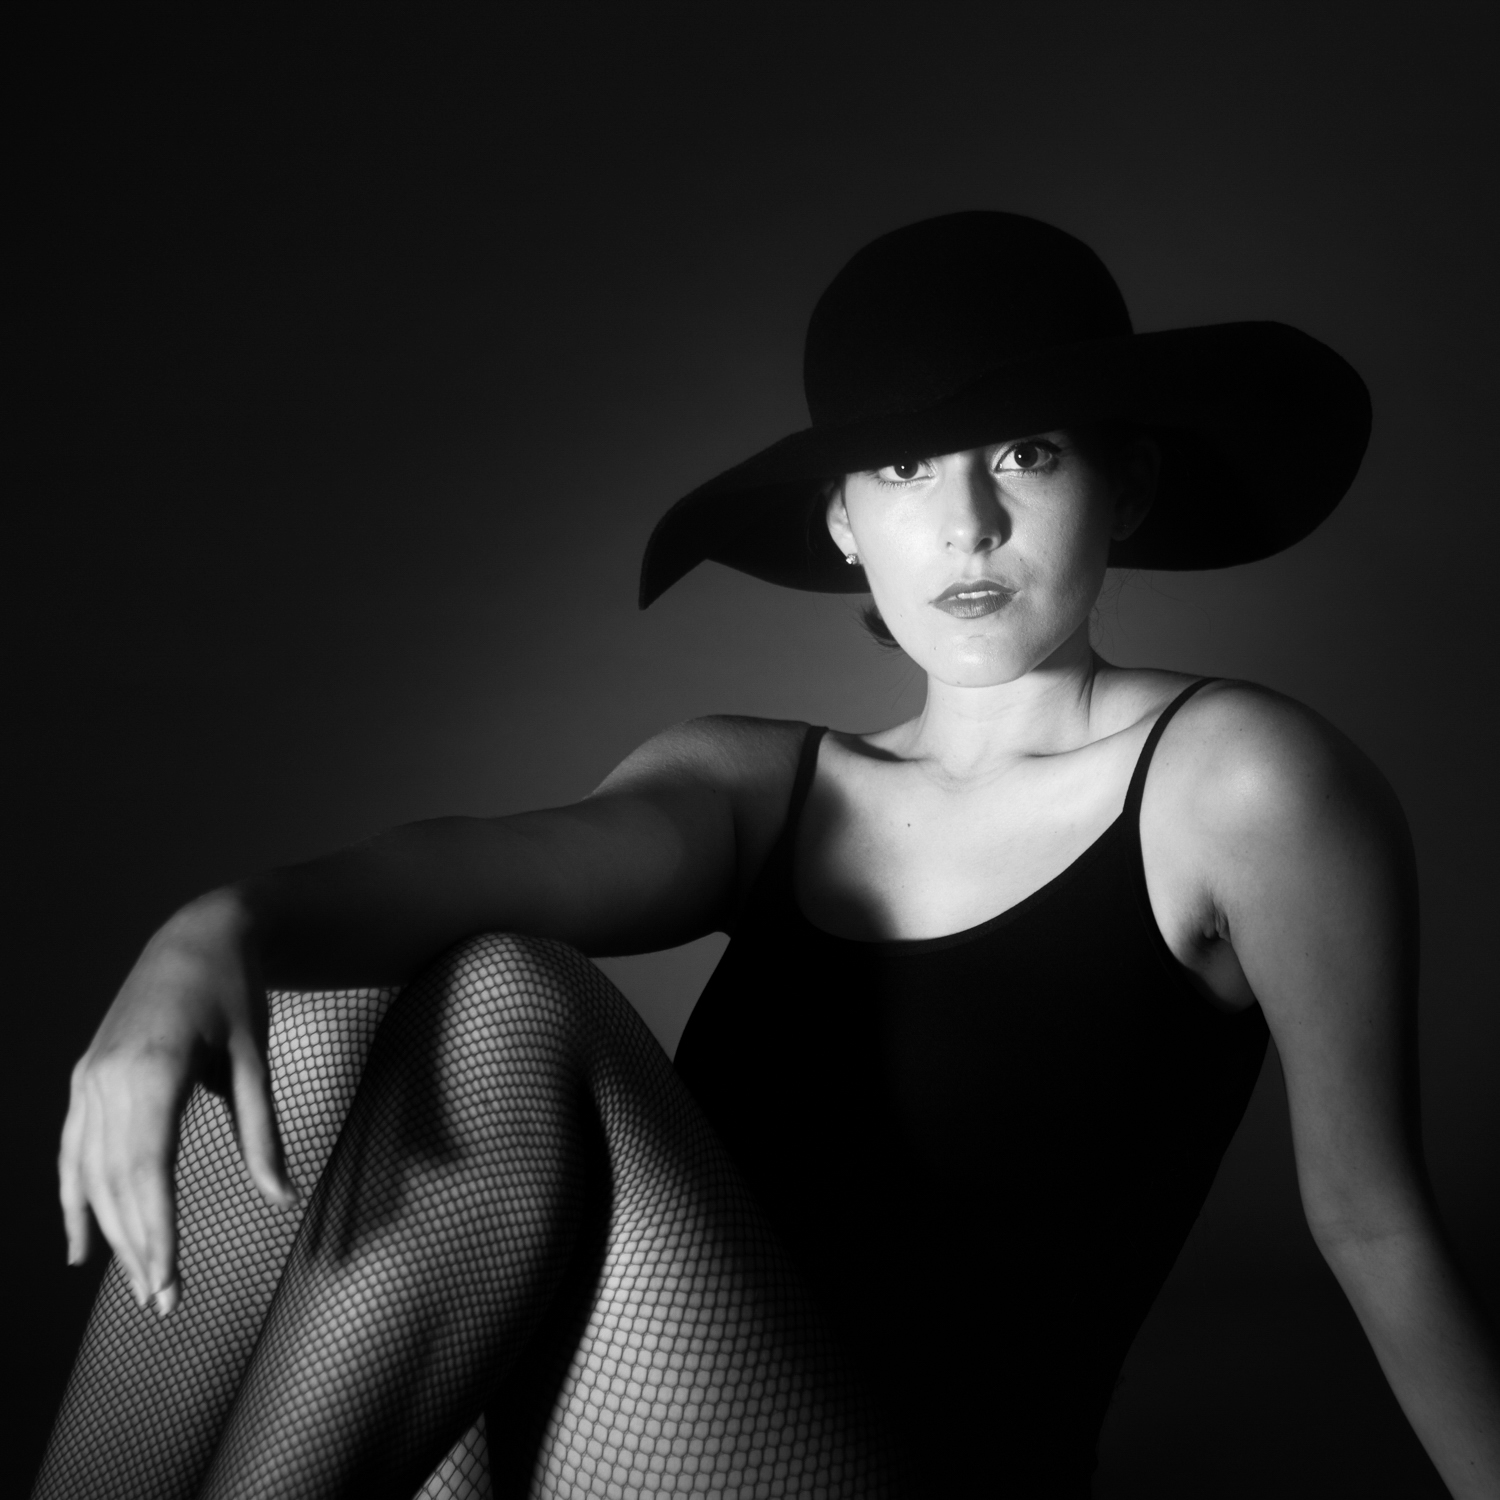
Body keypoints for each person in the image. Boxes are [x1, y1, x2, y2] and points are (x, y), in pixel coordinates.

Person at [35, 212, 1500, 1499]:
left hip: (913, 1474)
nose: (969, 522)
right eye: (906, 466)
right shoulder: (757, 782)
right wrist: (204, 935)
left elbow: (1372, 1227)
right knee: (312, 1000)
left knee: (509, 999)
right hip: (603, 1439)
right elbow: (489, 862)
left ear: (1126, 485)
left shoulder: (1241, 782)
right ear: (843, 522)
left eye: (1029, 453)